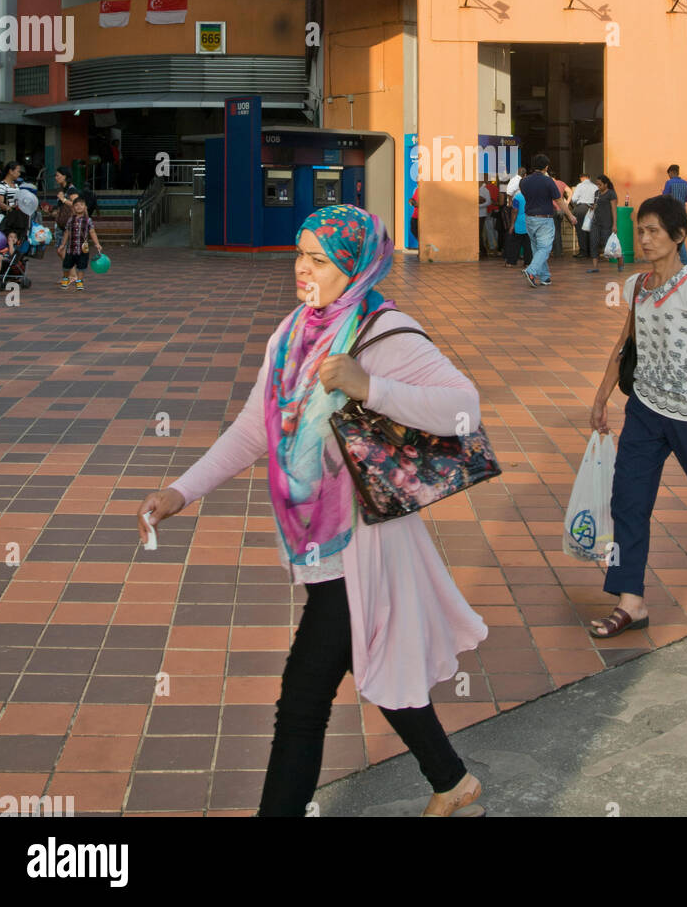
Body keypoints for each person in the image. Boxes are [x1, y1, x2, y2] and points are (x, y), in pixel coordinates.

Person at [137, 207, 488, 818]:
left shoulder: (385, 332)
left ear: (353, 265)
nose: (303, 268)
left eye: (319, 259)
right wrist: (181, 490)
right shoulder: (293, 333)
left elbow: (465, 411)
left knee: (301, 701)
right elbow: (255, 428)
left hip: (364, 544)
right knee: (370, 661)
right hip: (320, 545)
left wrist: (368, 386)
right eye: (299, 254)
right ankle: (452, 781)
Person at [590, 194, 687, 632]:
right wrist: (603, 395)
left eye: (654, 231)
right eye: (640, 230)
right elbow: (626, 345)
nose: (644, 238)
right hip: (644, 410)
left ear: (678, 236)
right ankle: (631, 602)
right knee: (628, 500)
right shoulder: (636, 286)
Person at [519, 154, 576, 288]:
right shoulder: (548, 181)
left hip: (529, 218)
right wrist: (570, 215)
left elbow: (526, 195)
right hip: (544, 219)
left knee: (537, 249)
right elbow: (559, 200)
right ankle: (531, 271)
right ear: (546, 167)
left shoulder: (524, 181)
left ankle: (545, 277)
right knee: (545, 248)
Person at [58, 195, 103, 291]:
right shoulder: (71, 220)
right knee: (66, 265)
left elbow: (92, 232)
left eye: (81, 205)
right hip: (70, 248)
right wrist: (62, 245)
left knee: (82, 266)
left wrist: (97, 244)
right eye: (76, 205)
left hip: (83, 249)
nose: (79, 207)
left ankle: (79, 281)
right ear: (73, 208)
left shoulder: (88, 220)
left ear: (85, 207)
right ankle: (66, 278)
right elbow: (67, 232)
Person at [588, 174, 621, 272]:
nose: (598, 186)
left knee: (609, 244)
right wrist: (592, 207)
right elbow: (596, 205)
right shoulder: (596, 193)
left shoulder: (611, 194)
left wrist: (614, 224)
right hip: (595, 222)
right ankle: (595, 267)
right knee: (593, 242)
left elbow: (614, 210)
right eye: (597, 184)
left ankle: (620, 259)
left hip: (607, 223)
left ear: (606, 184)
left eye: (600, 184)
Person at [662, 164, 687, 266]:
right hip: (682, 213)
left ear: (671, 172)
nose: (669, 176)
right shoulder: (686, 184)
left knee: (673, 237)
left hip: (672, 213)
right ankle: (677, 260)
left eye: (669, 174)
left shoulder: (669, 183)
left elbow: (664, 198)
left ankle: (684, 261)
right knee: (678, 236)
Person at [570, 173, 599, 257]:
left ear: (581, 178)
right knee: (591, 230)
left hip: (582, 208)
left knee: (581, 230)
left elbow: (574, 199)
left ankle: (583, 252)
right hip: (592, 209)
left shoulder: (580, 186)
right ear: (589, 178)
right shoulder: (595, 186)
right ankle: (591, 251)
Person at [504, 184, 532, 268]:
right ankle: (528, 262)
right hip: (530, 222)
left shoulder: (517, 197)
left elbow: (514, 211)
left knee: (515, 243)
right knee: (528, 244)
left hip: (519, 223)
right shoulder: (531, 196)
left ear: (520, 187)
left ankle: (511, 262)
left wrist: (512, 225)